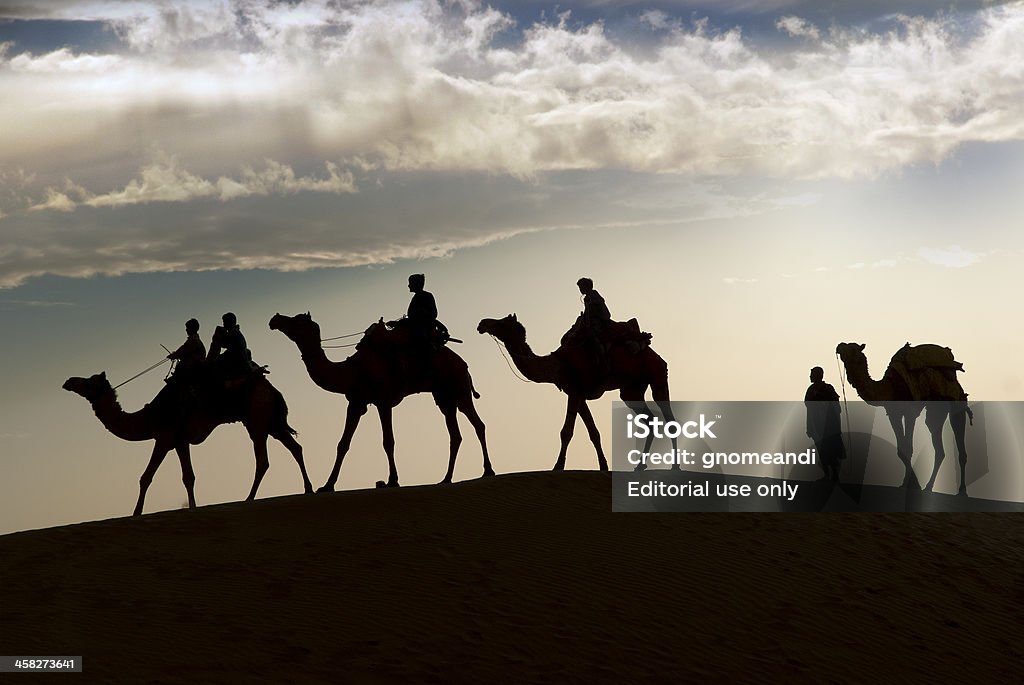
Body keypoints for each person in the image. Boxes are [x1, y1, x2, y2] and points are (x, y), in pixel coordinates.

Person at [805, 366, 846, 481]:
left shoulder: (828, 389)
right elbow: (809, 408)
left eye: (812, 374)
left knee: (831, 450)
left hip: (829, 426)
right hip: (815, 425)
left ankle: (834, 475)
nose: (810, 376)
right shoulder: (811, 390)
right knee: (821, 451)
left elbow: (836, 407)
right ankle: (827, 475)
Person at [208, 312, 252, 380]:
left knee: (213, 366)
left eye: (225, 321)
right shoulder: (234, 332)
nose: (223, 324)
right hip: (236, 359)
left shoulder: (234, 333)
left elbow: (223, 344)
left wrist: (218, 334)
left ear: (231, 322)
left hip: (237, 361)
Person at [166, 318, 206, 384]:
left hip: (193, 367)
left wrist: (174, 355)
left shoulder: (193, 340)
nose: (186, 330)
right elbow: (184, 349)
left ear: (192, 328)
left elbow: (184, 350)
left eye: (188, 328)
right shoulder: (194, 340)